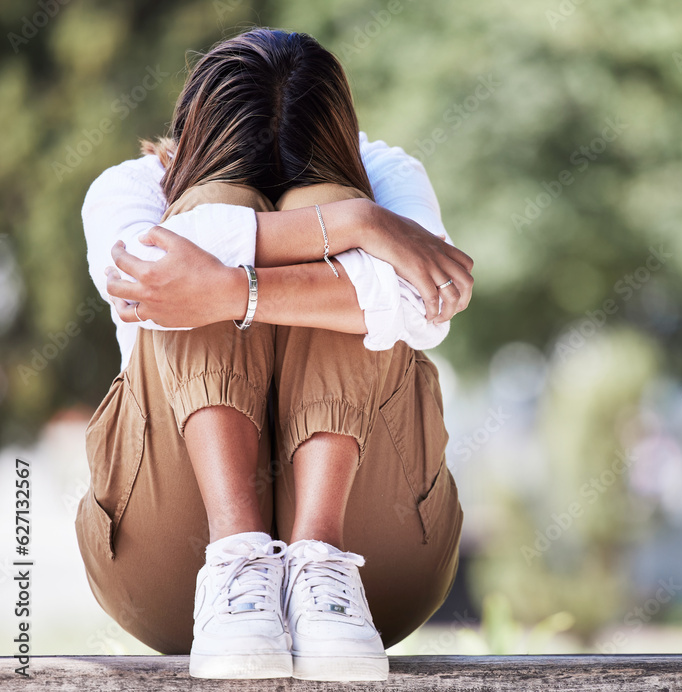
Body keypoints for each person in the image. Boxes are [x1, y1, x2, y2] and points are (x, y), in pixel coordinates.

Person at [76, 28, 473, 681]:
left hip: (378, 578)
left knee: (326, 200)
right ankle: (237, 557)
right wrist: (359, 229)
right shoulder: (131, 187)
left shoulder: (387, 174)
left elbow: (428, 305)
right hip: (168, 571)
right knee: (204, 217)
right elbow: (148, 273)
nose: (275, 185)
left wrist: (233, 288)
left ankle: (320, 560)